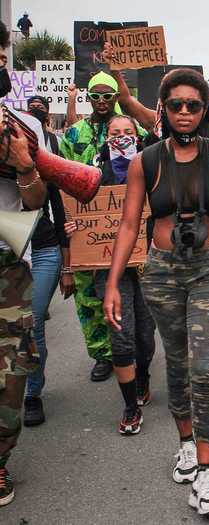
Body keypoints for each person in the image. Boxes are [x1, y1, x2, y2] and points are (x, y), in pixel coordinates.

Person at [103, 68, 209, 515]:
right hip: (162, 272)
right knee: (179, 363)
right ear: (163, 108)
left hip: (208, 270)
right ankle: (185, 443)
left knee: (205, 369)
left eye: (194, 105)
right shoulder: (148, 159)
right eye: (176, 104)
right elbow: (129, 224)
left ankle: (204, 475)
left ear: (204, 110)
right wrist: (112, 283)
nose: (185, 112)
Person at [0, 20, 48, 506]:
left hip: (6, 268)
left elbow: (35, 199)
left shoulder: (23, 126)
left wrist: (23, 163)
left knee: (10, 372)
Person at [90, 114, 155, 434]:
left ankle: (143, 375)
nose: (122, 137)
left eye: (128, 132)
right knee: (121, 335)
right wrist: (76, 227)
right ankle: (130, 406)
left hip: (146, 265)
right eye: (116, 133)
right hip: (109, 266)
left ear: (138, 135)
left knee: (145, 335)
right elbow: (79, 208)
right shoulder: (95, 172)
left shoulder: (151, 168)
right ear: (107, 137)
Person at [59, 71, 124, 382]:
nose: (101, 101)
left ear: (115, 97)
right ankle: (102, 354)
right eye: (95, 95)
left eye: (106, 95)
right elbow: (60, 186)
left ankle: (127, 348)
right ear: (88, 98)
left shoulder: (129, 129)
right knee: (88, 296)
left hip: (123, 227)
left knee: (125, 291)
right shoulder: (73, 136)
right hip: (86, 228)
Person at [22, 97, 72, 427]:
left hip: (41, 249)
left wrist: (67, 265)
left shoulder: (34, 159)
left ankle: (31, 394)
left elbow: (54, 204)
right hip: (6, 251)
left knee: (33, 321)